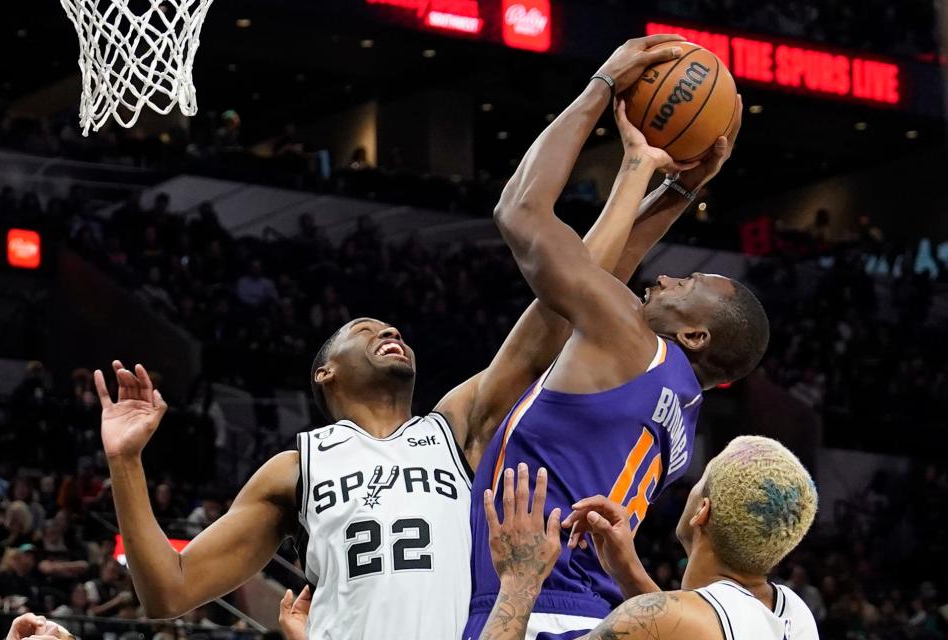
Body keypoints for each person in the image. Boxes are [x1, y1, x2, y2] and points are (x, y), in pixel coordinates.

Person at [92, 38, 693, 639]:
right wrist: (125, 461)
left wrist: (653, 185)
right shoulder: (294, 470)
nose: (389, 330)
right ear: (323, 372)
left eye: (392, 327)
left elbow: (569, 302)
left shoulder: (453, 429)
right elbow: (166, 590)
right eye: (363, 329)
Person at [463, 38, 769, 639]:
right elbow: (603, 276)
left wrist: (601, 86)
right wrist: (679, 189)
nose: (664, 275)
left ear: (697, 333)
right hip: (592, 612)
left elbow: (520, 213)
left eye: (687, 282)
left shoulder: (631, 343)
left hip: (527, 604)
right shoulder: (679, 404)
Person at [476, 436, 819, 640]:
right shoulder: (796, 617)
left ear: (702, 511)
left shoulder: (663, 619)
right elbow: (688, 626)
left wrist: (519, 578)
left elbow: (671, 624)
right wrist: (629, 572)